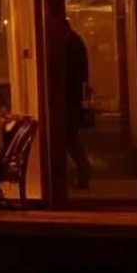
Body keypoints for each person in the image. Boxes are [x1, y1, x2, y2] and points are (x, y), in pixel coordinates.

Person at [56, 21, 91, 190]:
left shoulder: (72, 47)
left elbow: (70, 75)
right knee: (70, 140)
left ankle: (82, 174)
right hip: (71, 100)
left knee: (70, 140)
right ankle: (81, 173)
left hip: (69, 101)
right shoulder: (76, 44)